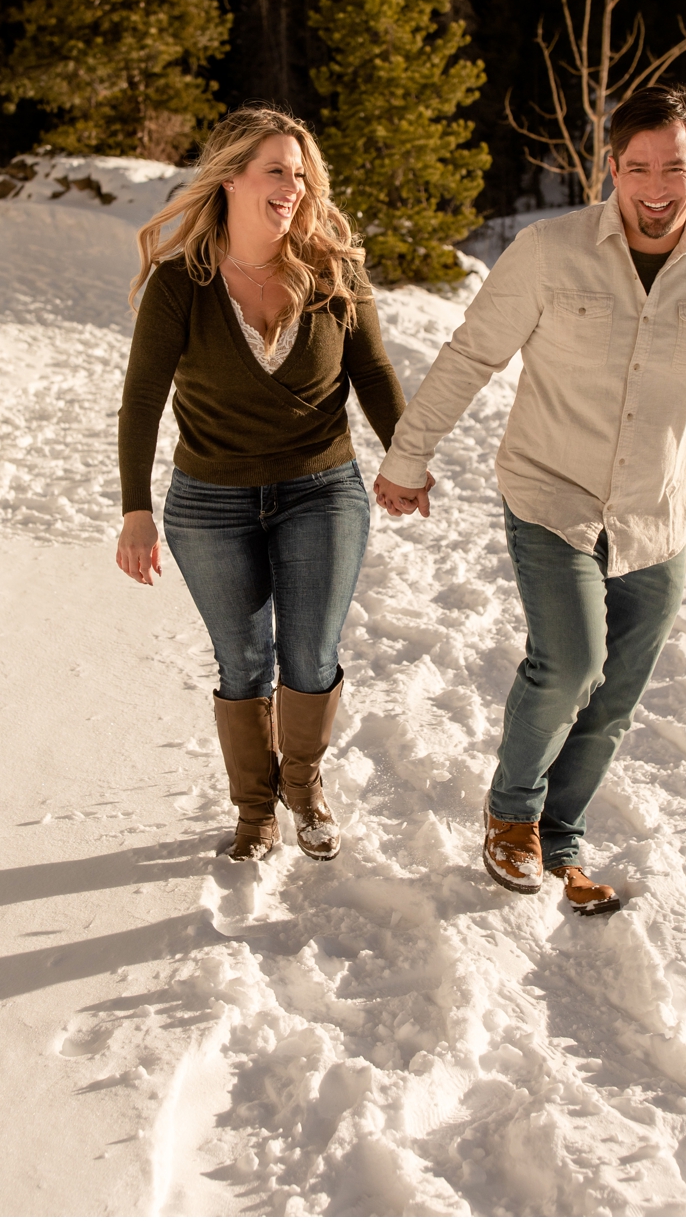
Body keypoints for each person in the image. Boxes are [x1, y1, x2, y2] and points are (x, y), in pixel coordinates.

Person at [374, 84, 686, 917]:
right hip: (551, 494)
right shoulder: (550, 252)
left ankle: (559, 843)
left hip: (657, 519)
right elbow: (470, 355)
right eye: (638, 167)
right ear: (612, 168)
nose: (656, 186)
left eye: (674, 166)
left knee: (616, 697)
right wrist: (408, 458)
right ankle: (511, 817)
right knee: (572, 662)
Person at [115, 108, 406, 862]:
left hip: (321, 487)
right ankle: (254, 811)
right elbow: (142, 398)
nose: (291, 188)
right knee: (243, 661)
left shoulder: (334, 269)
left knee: (309, 655)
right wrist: (136, 511)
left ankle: (302, 787)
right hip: (211, 501)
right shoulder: (183, 283)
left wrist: (405, 457)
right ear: (232, 176)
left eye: (300, 174)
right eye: (276, 170)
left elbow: (371, 371)